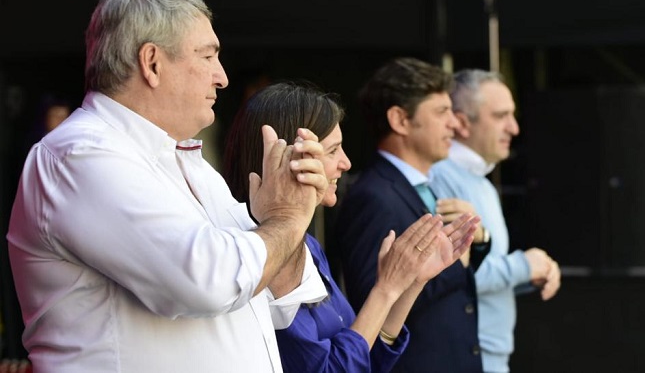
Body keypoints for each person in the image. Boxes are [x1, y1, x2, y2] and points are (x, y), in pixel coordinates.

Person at [6, 0, 331, 373]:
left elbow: (273, 300)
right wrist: (285, 219)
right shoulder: (79, 155)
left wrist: (289, 208)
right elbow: (213, 281)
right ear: (152, 63)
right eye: (208, 56)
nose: (223, 77)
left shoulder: (183, 160)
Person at [223, 81, 479, 373]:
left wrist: (410, 282)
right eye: (332, 151)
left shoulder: (307, 245)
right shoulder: (260, 253)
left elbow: (365, 356)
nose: (345, 162)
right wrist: (386, 289)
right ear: (290, 160)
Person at [334, 58, 490, 373]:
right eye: (441, 112)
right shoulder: (373, 197)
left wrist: (476, 240)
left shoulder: (419, 185)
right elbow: (373, 304)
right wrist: (456, 261)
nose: (455, 125)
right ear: (400, 120)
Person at [430, 69, 562, 373]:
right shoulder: (440, 176)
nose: (514, 128)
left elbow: (481, 275)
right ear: (462, 122)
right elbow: (450, 275)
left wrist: (531, 274)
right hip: (468, 359)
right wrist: (525, 265)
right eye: (501, 116)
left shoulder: (481, 183)